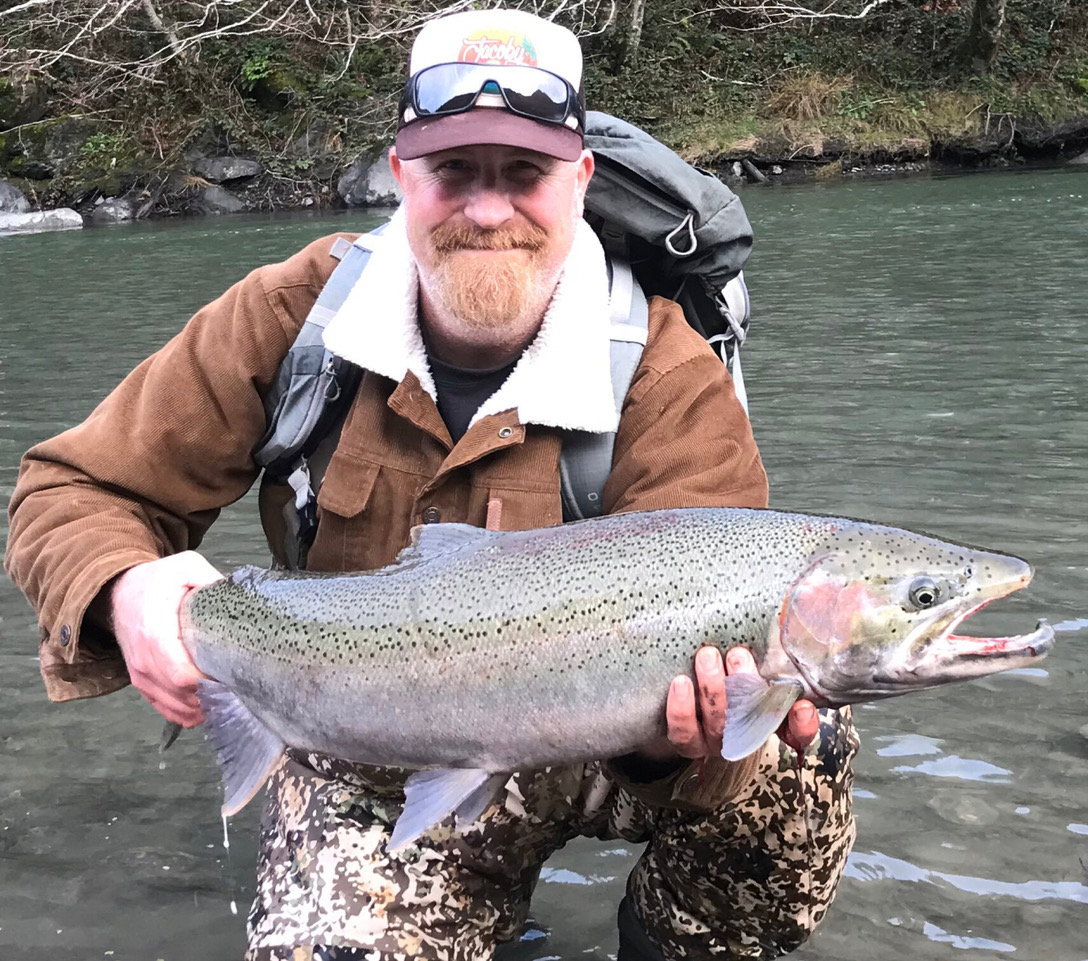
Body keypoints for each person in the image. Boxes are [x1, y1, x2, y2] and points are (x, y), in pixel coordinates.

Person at [5, 8, 857, 960]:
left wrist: (670, 743)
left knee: (797, 752)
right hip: (374, 738)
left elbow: (717, 696)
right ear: (401, 174)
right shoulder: (291, 319)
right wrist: (127, 589)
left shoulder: (666, 371)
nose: (487, 209)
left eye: (524, 173)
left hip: (611, 734)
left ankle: (671, 939)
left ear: (578, 182)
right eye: (454, 170)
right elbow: (67, 490)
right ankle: (464, 897)